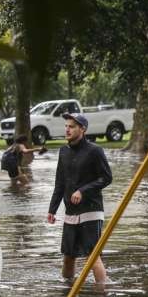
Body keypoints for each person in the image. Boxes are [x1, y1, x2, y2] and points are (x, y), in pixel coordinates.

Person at [47, 113, 112, 284]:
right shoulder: (63, 151)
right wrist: (52, 209)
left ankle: (101, 294)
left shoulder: (95, 151)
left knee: (92, 256)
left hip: (91, 210)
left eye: (72, 126)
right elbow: (59, 183)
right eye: (66, 126)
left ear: (82, 129)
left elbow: (106, 178)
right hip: (71, 212)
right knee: (68, 256)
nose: (67, 129)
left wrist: (83, 191)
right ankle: (67, 289)